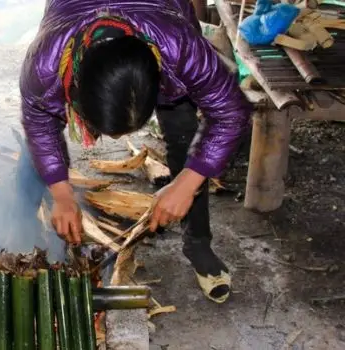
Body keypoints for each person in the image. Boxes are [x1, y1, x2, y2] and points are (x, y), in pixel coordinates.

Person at [20, 0, 253, 303]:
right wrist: (61, 194)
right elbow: (39, 122)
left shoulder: (180, 48)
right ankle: (26, 229)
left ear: (161, 79)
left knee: (183, 131)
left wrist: (187, 183)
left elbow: (231, 112)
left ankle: (198, 244)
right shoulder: (46, 65)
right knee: (40, 152)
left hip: (161, 14)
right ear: (75, 89)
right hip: (73, 16)